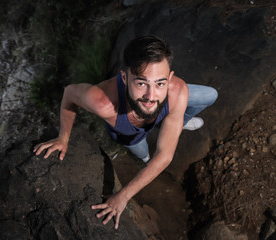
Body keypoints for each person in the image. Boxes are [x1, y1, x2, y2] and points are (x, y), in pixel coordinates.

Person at [33, 35, 218, 229]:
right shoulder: (102, 102)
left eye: (160, 83)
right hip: (130, 135)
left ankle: (175, 123)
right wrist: (63, 137)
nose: (150, 96)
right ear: (125, 77)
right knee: (145, 155)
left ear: (170, 78)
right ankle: (147, 157)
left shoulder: (177, 91)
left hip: (165, 111)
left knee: (204, 98)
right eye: (141, 83)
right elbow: (70, 93)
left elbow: (165, 155)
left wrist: (124, 195)